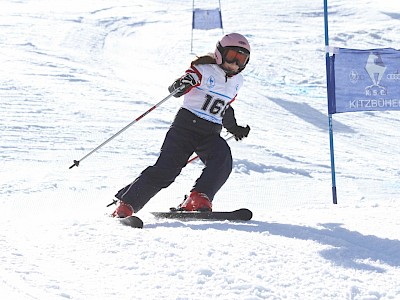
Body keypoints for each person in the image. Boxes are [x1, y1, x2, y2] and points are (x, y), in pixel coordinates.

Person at [111, 33, 251, 218]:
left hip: (210, 133)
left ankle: (198, 197)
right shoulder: (203, 70)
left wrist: (234, 128)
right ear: (220, 53)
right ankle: (127, 204)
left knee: (222, 159)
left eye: (241, 60)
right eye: (232, 56)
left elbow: (224, 108)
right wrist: (183, 84)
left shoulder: (236, 82)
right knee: (166, 171)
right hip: (186, 128)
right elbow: (175, 89)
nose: (235, 64)